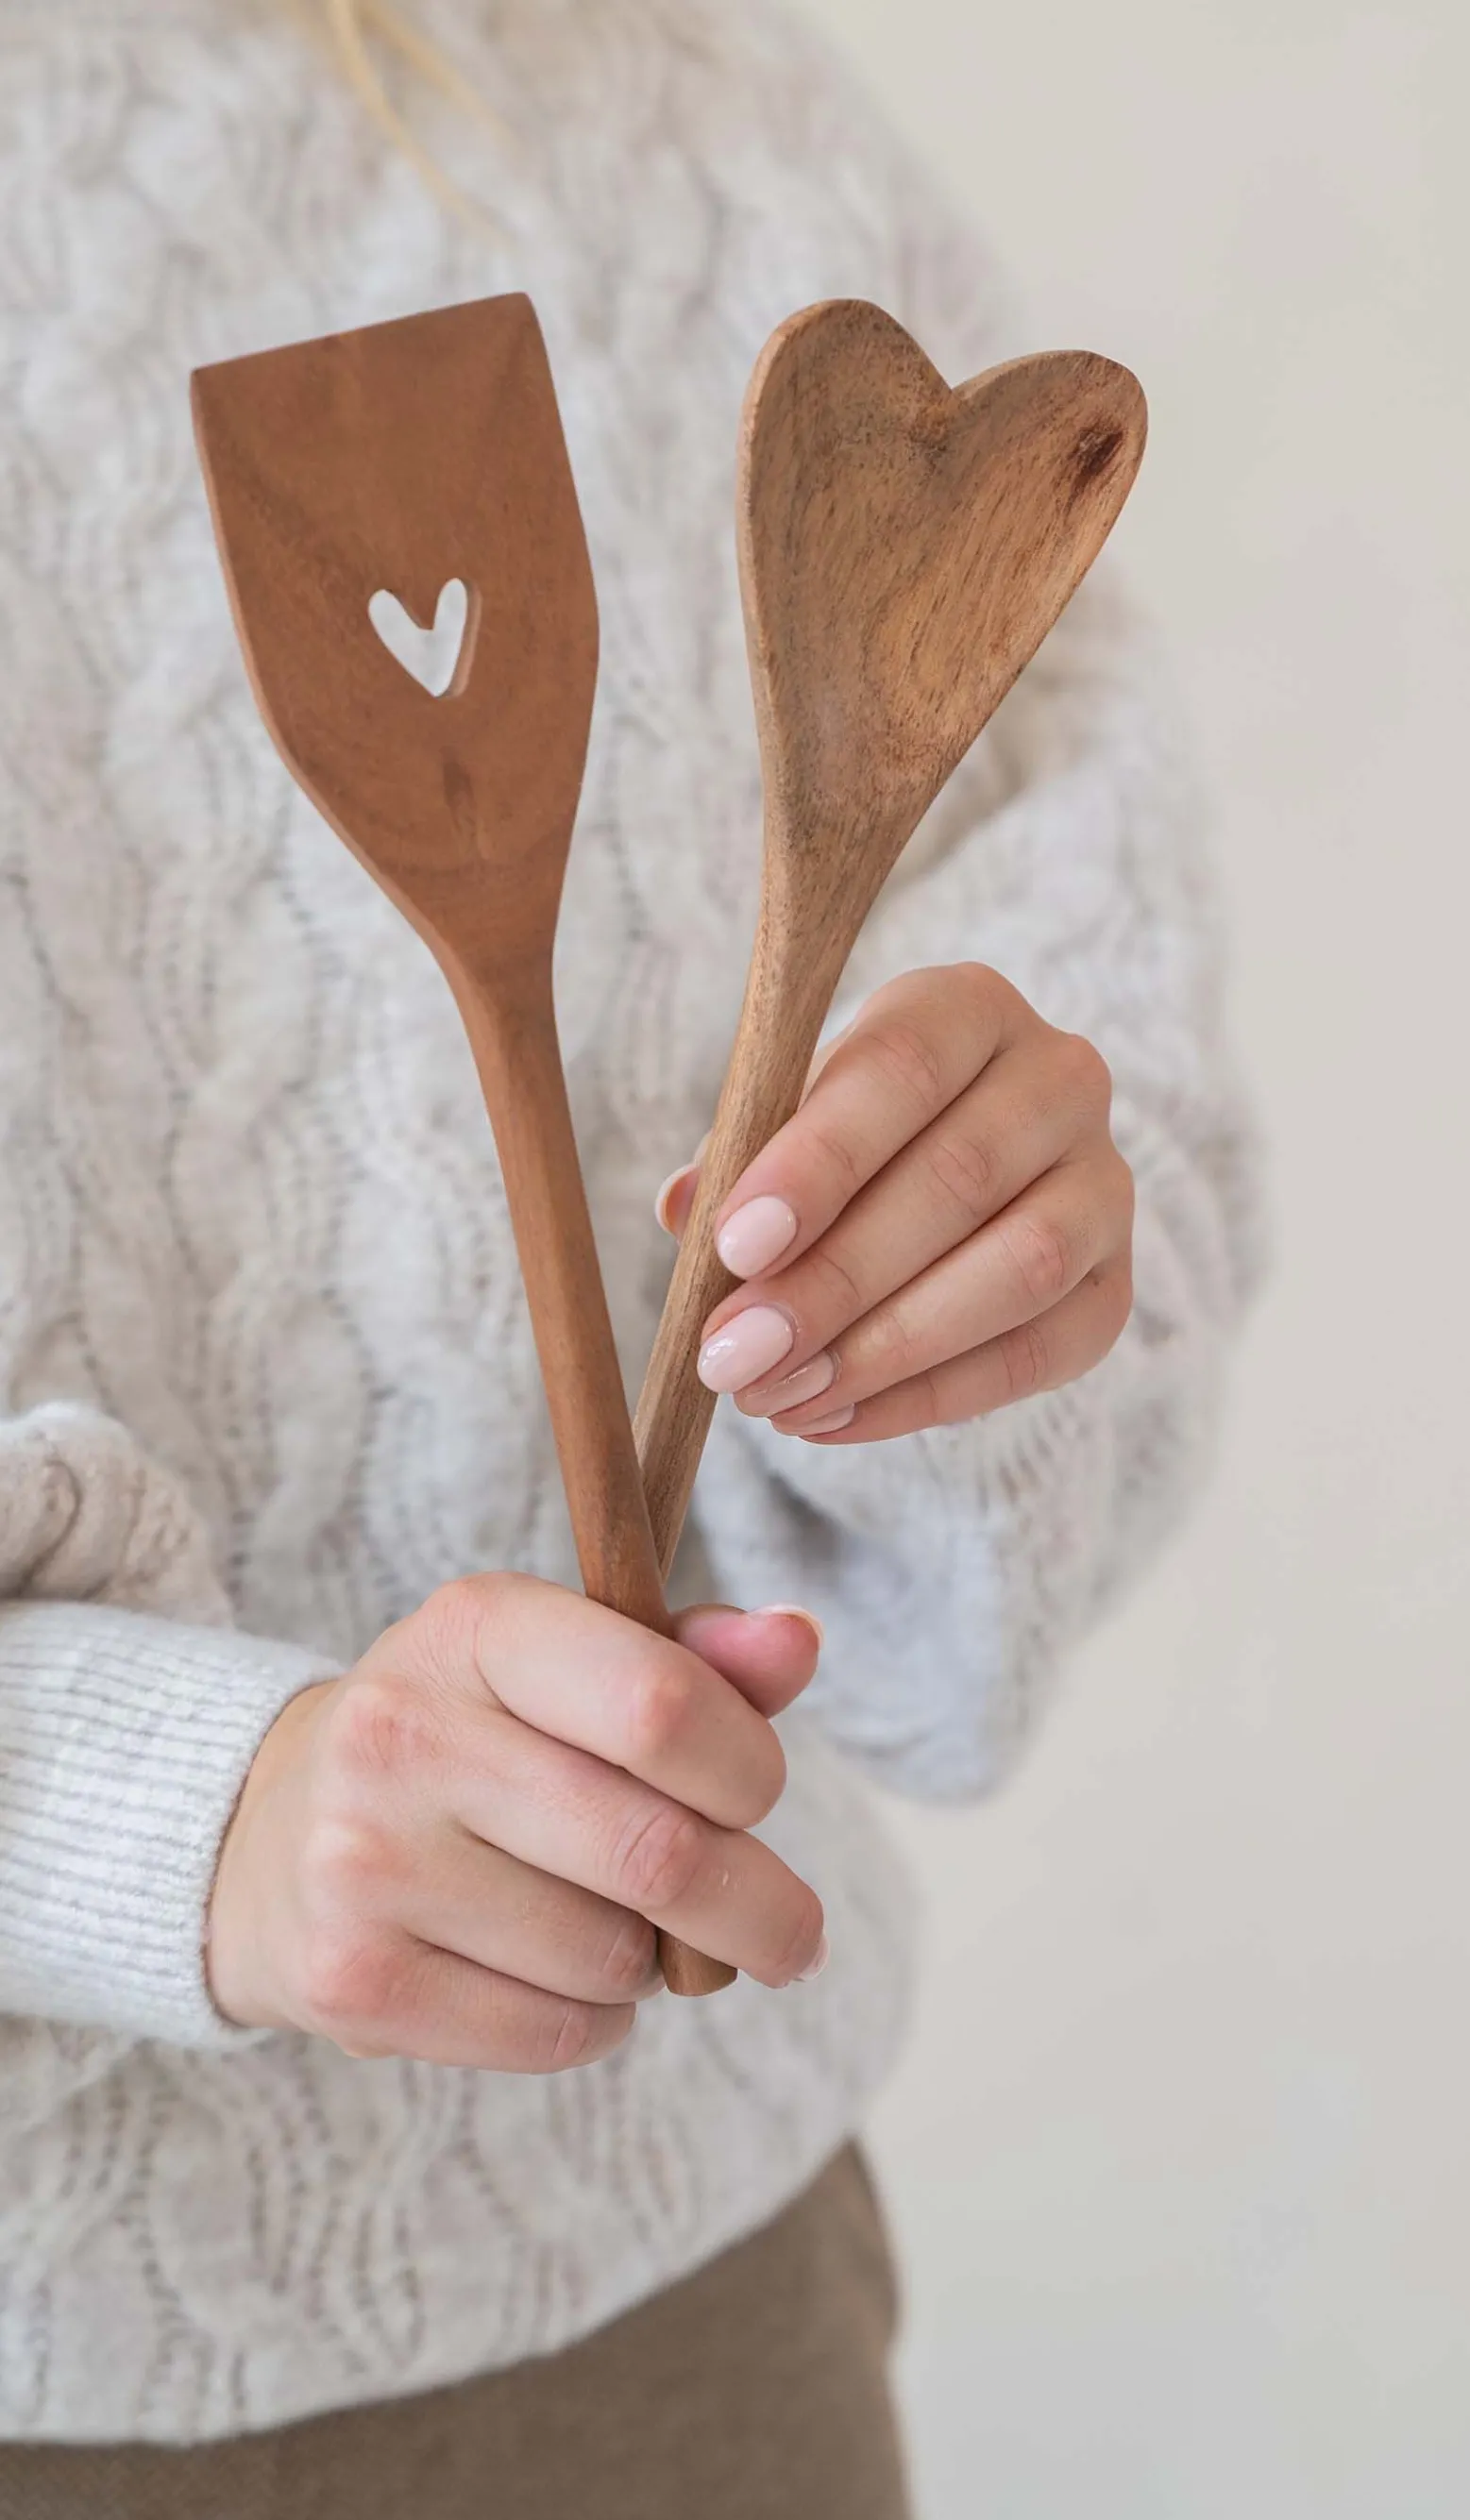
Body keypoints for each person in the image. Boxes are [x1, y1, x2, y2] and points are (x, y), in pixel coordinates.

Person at [0, 0, 1258, 2511]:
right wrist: (163, 1817)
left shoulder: (684, 115)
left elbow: (1129, 1122)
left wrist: (968, 1310)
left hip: (683, 2317)